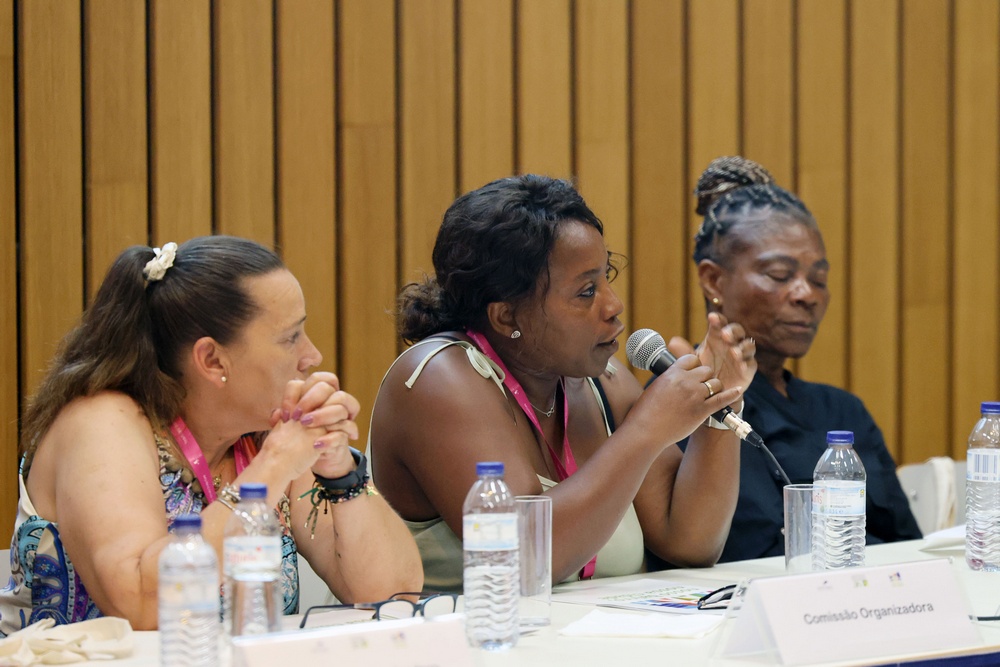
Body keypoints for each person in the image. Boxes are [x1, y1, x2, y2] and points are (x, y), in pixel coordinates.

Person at [0, 236, 422, 635]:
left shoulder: (264, 435)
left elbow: (391, 594)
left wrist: (339, 472)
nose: (312, 356)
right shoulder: (102, 422)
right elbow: (141, 605)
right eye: (290, 337)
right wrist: (272, 467)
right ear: (212, 359)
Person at [368, 175, 757, 592]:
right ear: (506, 317)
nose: (614, 304)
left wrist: (720, 406)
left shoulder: (601, 382)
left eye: (606, 275)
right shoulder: (440, 380)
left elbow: (689, 541)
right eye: (586, 291)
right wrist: (647, 430)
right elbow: (523, 559)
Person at [686, 155, 921, 563]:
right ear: (713, 280)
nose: (806, 295)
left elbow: (913, 548)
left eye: (819, 280)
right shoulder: (685, 401)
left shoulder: (844, 410)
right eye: (780, 275)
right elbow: (750, 549)